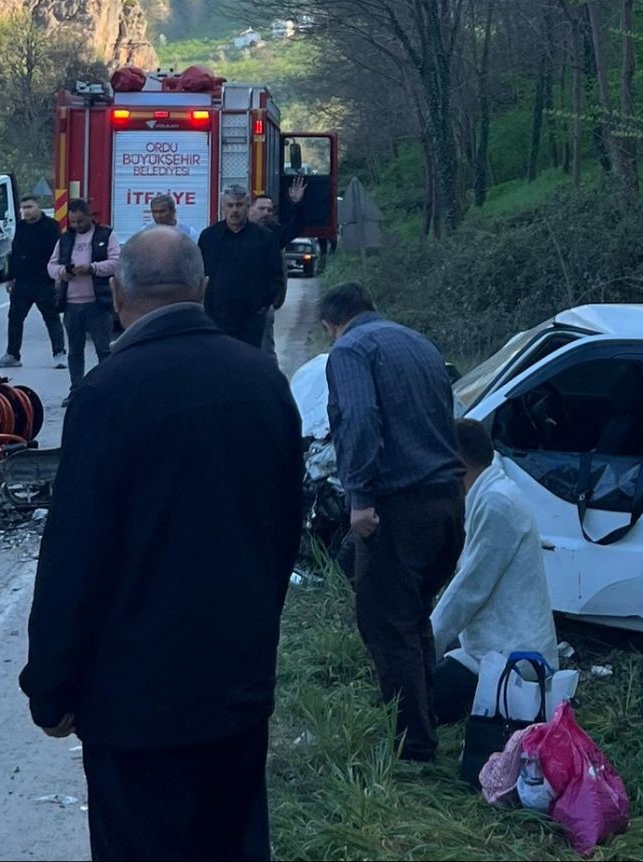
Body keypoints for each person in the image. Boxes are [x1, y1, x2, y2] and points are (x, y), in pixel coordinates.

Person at [20, 227, 303, 861]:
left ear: (117, 295)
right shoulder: (262, 382)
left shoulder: (106, 395)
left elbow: (74, 557)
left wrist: (51, 686)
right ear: (203, 290)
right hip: (235, 690)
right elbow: (286, 532)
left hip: (134, 707)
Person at [321, 282, 465, 762]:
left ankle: (413, 748)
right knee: (413, 618)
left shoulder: (350, 349)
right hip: (446, 502)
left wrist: (359, 498)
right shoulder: (418, 342)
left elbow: (360, 419)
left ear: (333, 324)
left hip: (396, 507)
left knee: (385, 625)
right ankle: (426, 720)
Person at [430, 420, 559, 725]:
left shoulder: (497, 504)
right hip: (492, 642)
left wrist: (426, 644)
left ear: (458, 464)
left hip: (513, 657)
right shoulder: (491, 490)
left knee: (414, 699)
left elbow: (469, 589)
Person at [47, 199, 120, 407]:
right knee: (75, 351)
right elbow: (51, 266)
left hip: (98, 303)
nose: (77, 225)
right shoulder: (65, 240)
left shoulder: (106, 236)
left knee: (103, 350)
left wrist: (92, 268)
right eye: (73, 222)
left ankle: (108, 389)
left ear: (90, 217)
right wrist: (64, 271)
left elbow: (116, 262)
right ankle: (76, 390)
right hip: (71, 304)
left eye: (80, 221)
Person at [197, 185, 284, 349]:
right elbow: (200, 273)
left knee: (248, 363)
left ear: (247, 206)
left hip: (251, 319)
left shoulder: (264, 238)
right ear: (223, 206)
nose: (234, 210)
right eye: (230, 205)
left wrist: (263, 305)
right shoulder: (209, 237)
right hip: (217, 317)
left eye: (239, 205)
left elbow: (275, 274)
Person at [0, 196, 67, 369]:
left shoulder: (51, 226)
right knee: (15, 318)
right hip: (23, 281)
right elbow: (15, 251)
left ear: (38, 207)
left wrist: (57, 277)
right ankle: (12, 354)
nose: (26, 211)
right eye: (23, 208)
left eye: (29, 207)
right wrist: (10, 277)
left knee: (51, 317)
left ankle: (59, 353)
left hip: (44, 280)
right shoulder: (21, 226)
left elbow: (58, 252)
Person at [250, 177, 307, 360]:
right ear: (249, 209)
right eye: (261, 209)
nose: (267, 213)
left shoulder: (273, 234)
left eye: (270, 209)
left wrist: (296, 204)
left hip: (262, 306)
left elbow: (295, 228)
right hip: (233, 306)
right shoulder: (234, 233)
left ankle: (271, 385)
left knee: (265, 352)